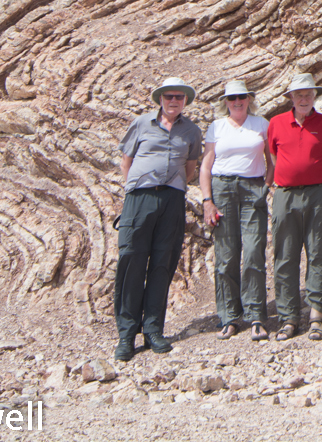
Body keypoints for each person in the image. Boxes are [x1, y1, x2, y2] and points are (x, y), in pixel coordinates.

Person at [115, 76, 204, 361]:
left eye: (179, 97)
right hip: (139, 197)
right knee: (132, 261)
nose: (174, 101)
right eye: (169, 97)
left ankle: (153, 330)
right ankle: (127, 334)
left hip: (172, 199)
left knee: (163, 263)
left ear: (185, 101)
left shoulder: (191, 131)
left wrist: (172, 187)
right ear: (160, 100)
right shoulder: (142, 124)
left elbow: (190, 169)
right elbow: (126, 160)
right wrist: (133, 188)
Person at [264, 72, 322, 341]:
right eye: (299, 94)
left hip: (318, 194)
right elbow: (273, 158)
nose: (304, 98)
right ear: (291, 98)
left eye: (309, 94)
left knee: (319, 250)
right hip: (285, 195)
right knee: (285, 254)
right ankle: (288, 317)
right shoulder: (276, 123)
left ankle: (317, 315)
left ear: (315, 96)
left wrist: (311, 177)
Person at [199, 79, 271, 342]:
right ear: (225, 102)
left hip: (253, 188)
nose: (237, 102)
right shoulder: (216, 127)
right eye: (232, 98)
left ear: (249, 99)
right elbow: (206, 166)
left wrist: (267, 186)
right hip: (223, 188)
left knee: (253, 250)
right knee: (226, 254)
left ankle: (255, 315)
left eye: (242, 97)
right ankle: (229, 316)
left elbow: (270, 160)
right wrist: (207, 200)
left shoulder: (261, 124)